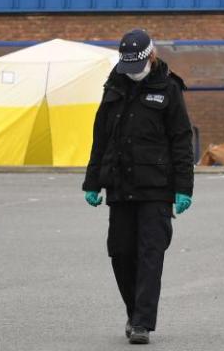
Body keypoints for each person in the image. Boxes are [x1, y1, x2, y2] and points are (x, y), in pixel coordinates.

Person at [82, 29, 194, 345]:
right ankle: (134, 312)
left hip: (156, 187)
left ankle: (143, 322)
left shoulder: (169, 89)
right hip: (120, 183)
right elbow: (101, 137)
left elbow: (182, 140)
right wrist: (92, 181)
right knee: (120, 252)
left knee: (149, 253)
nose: (131, 73)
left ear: (150, 57)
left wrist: (184, 187)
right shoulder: (113, 87)